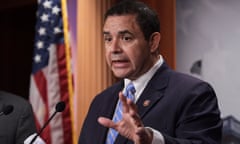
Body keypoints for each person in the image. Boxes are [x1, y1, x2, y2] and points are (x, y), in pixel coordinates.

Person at [78, 0, 222, 144]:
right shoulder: (101, 101)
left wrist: (152, 140)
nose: (114, 48)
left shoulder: (193, 94)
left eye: (126, 38)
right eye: (108, 39)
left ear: (153, 42)